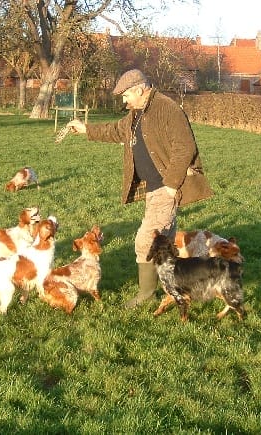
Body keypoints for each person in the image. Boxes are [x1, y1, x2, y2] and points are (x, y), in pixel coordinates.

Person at [66, 69, 213, 309]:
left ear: (139, 89)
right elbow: (116, 131)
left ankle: (146, 294)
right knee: (162, 242)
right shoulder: (136, 113)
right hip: (154, 190)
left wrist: (170, 185)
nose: (124, 102)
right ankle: (178, 285)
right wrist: (86, 129)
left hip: (164, 189)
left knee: (145, 242)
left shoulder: (167, 109)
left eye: (125, 96)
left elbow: (185, 147)